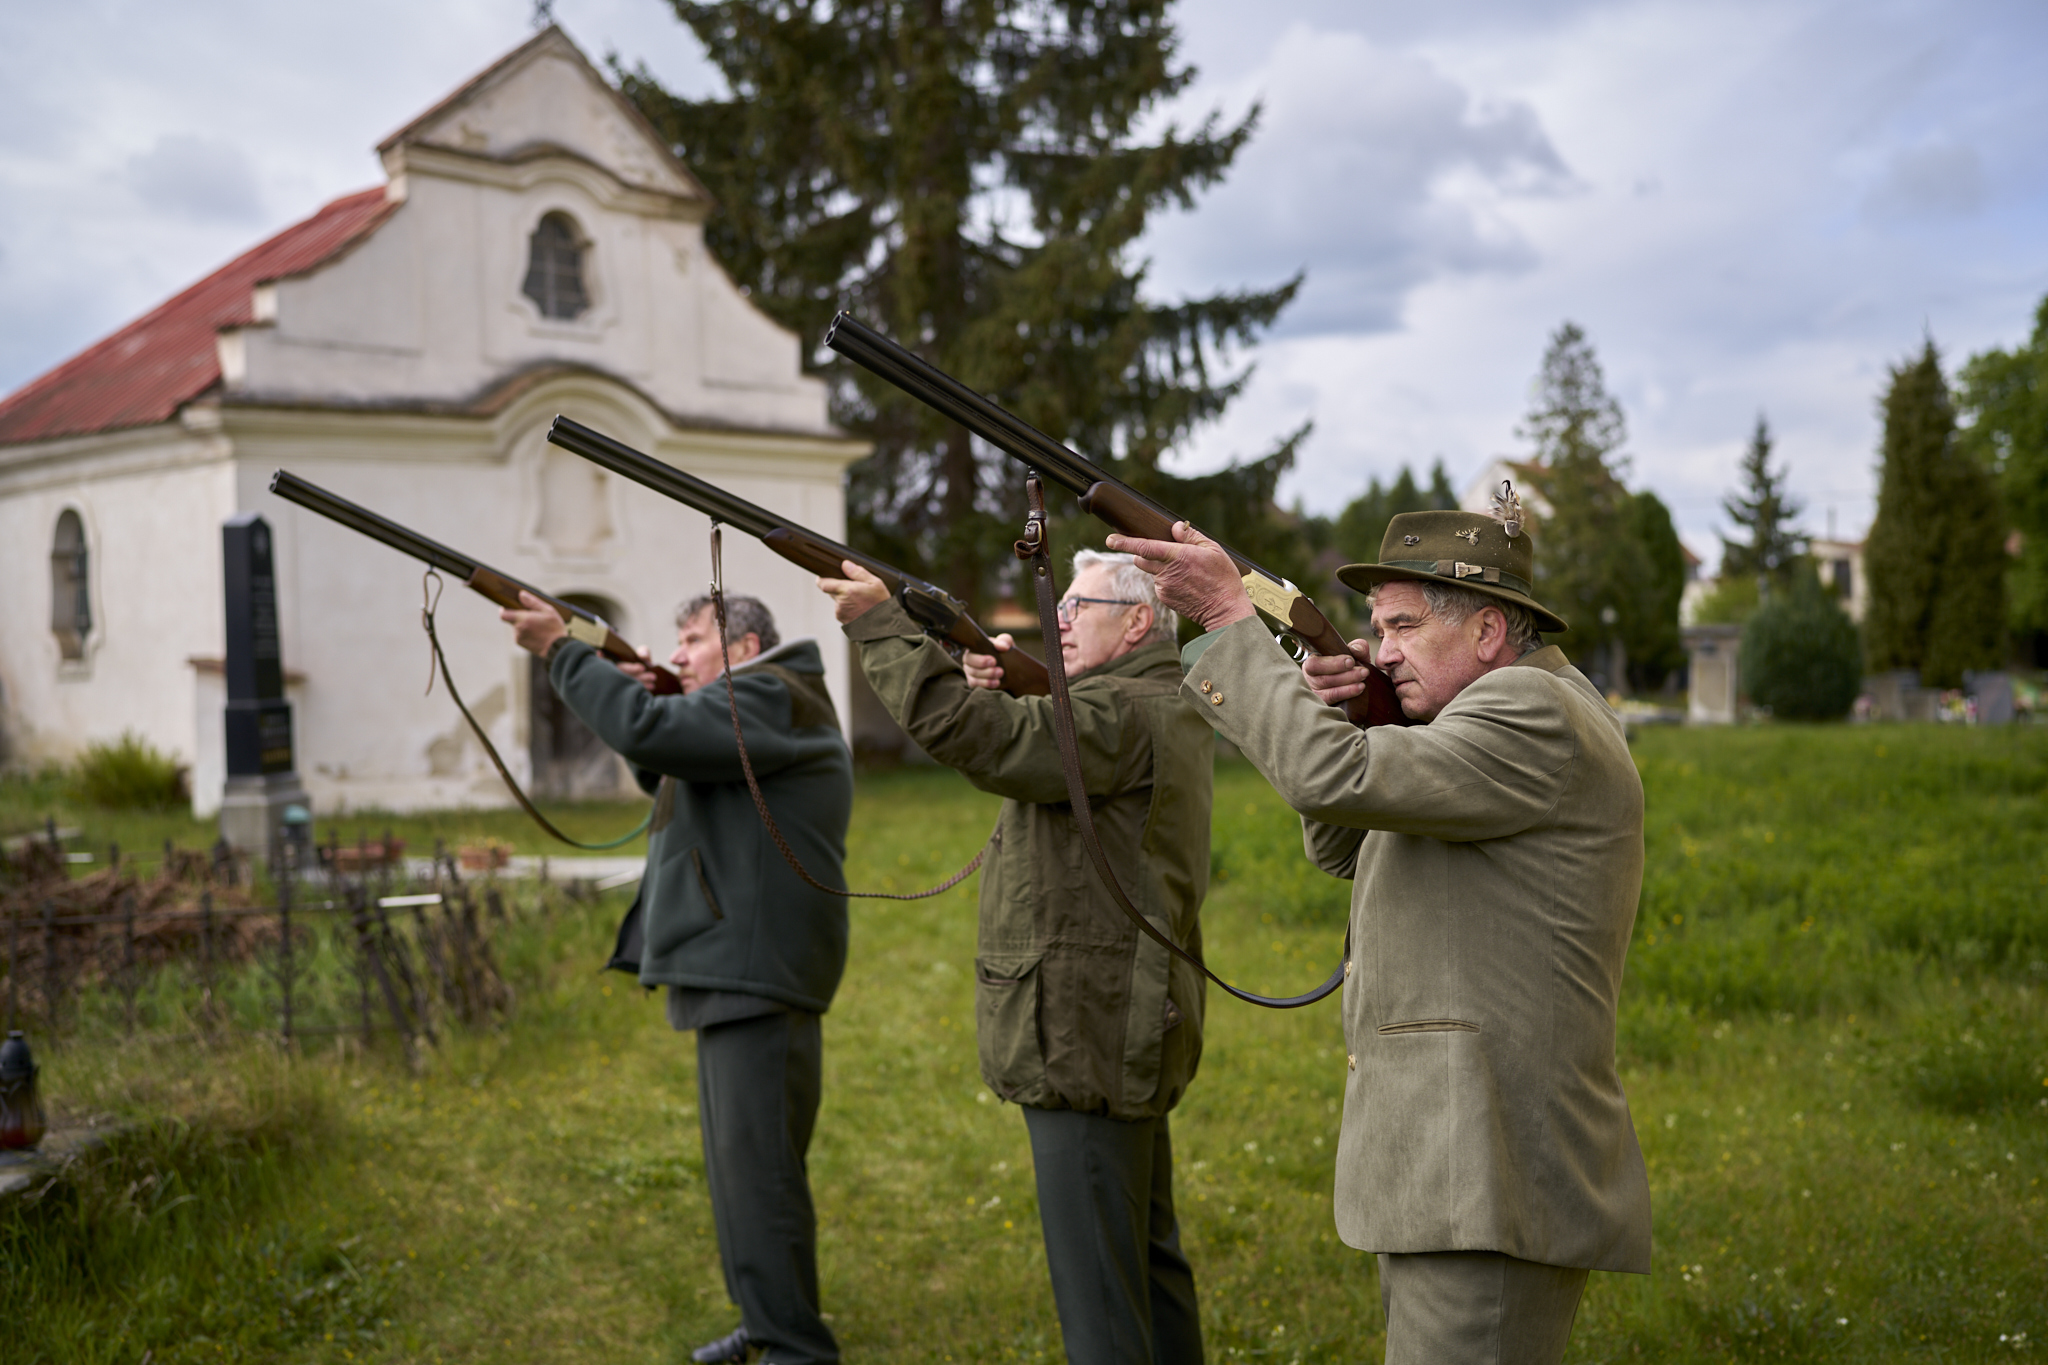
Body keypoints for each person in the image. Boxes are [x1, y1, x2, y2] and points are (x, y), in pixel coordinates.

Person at [1110, 504, 1652, 1365]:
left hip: (1489, 1169)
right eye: (1377, 627)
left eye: (1403, 624)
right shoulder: (1492, 712)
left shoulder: (1530, 709)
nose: (1383, 647)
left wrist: (1224, 619)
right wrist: (1370, 713)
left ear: (1485, 631)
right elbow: (1342, 839)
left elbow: (1328, 780)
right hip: (1452, 1165)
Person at [817, 550, 1211, 1365]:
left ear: (1139, 622)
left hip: (1083, 1027)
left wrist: (880, 625)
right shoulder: (1141, 699)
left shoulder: (1119, 711)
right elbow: (1031, 745)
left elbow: (981, 739)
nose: (1056, 617)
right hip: (1115, 1015)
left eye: (1081, 604)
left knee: (1101, 1303)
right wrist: (996, 683)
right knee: (1142, 1257)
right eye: (1057, 602)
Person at [501, 588, 854, 1365]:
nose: (681, 654)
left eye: (693, 640)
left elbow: (651, 732)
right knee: (741, 1177)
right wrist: (650, 696)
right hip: (735, 963)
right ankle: (768, 1323)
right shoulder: (758, 702)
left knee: (760, 1178)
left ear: (746, 643)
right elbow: (665, 758)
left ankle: (797, 1349)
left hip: (754, 967)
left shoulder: (769, 693)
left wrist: (564, 651)